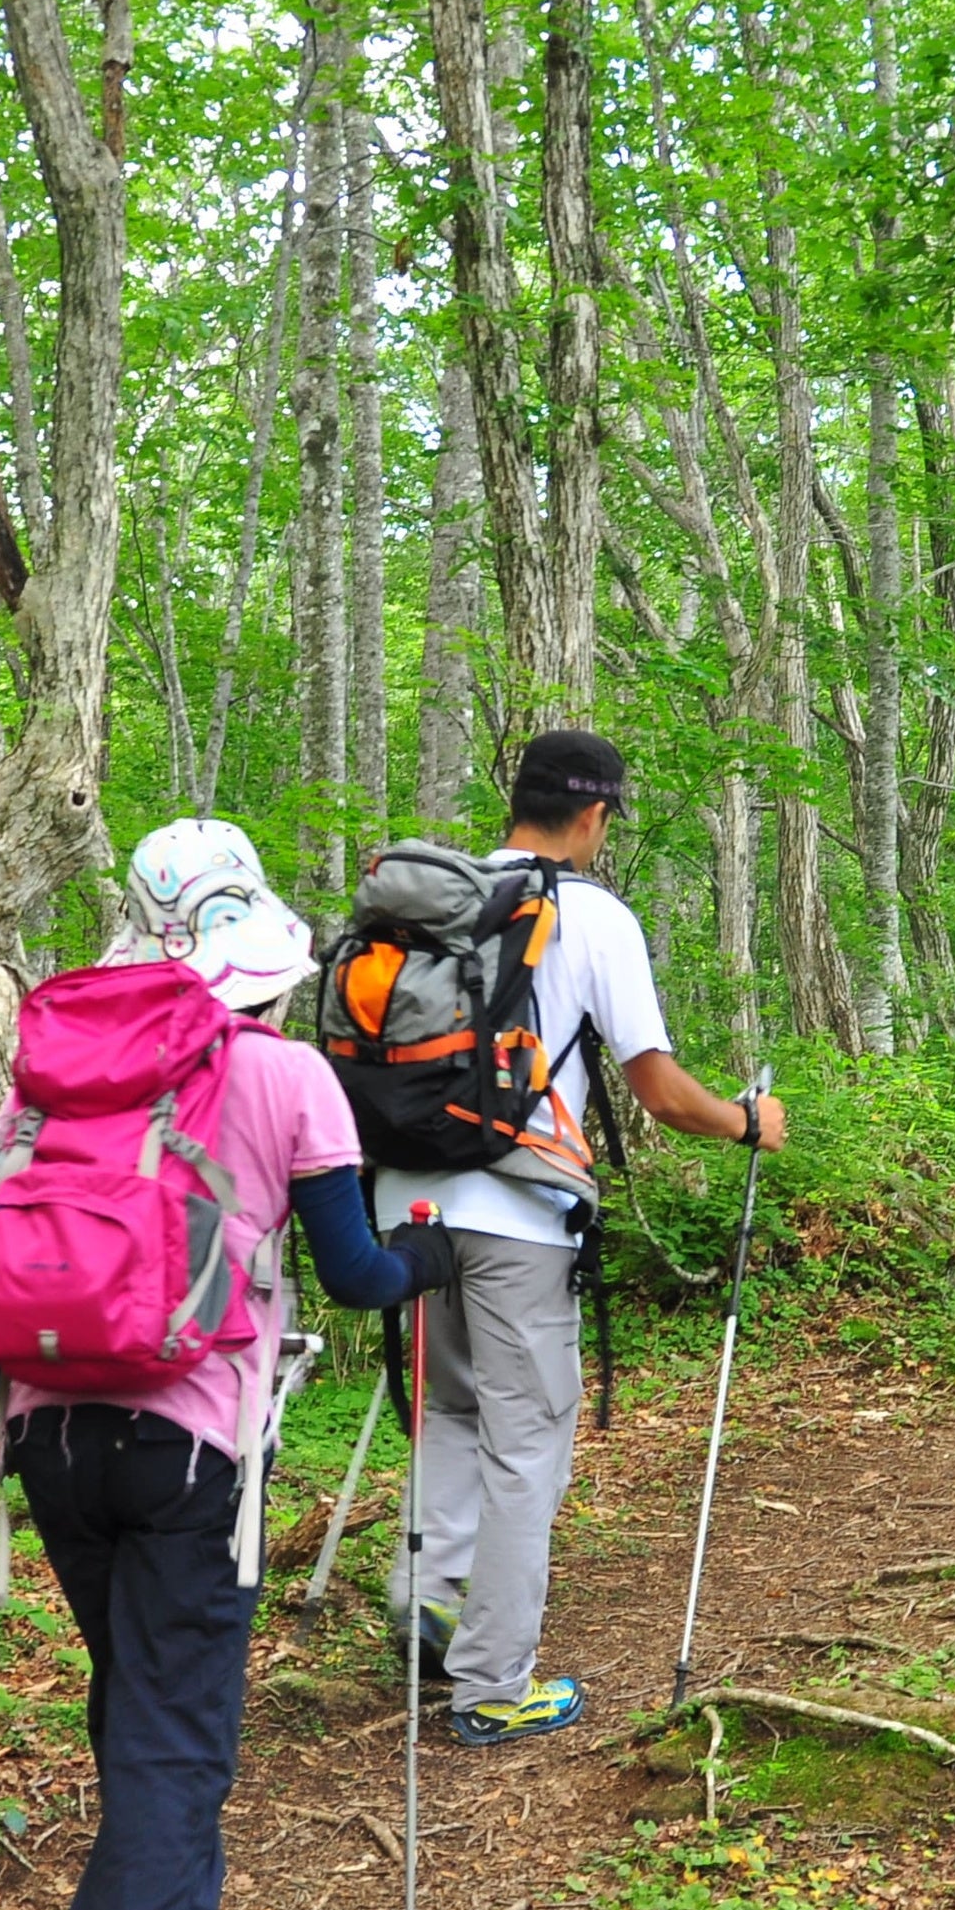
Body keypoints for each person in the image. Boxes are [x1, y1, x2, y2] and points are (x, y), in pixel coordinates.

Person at [0, 819, 457, 1910]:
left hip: (50, 1429)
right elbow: (358, 1271)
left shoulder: (48, 1067)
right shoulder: (285, 1073)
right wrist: (424, 1258)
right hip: (196, 1436)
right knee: (176, 1734)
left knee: (139, 1696)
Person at [374, 727, 787, 1745]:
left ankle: (428, 1601)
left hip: (403, 1203)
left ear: (516, 799)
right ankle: (493, 1682)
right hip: (518, 1214)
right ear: (596, 815)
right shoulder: (589, 914)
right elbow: (659, 1089)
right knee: (528, 1440)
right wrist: (746, 1120)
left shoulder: (443, 899)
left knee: (453, 1408)